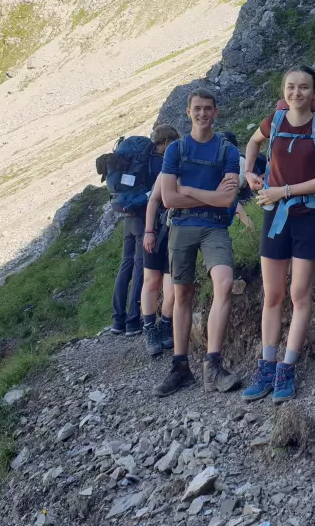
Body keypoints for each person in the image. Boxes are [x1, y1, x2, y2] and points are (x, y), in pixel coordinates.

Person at [240, 66, 315, 403]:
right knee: (273, 295)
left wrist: (281, 191)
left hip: (309, 217)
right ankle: (267, 365)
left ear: (314, 91)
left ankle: (288, 366)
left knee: (299, 294)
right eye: (291, 87)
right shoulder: (275, 120)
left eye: (304, 88)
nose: (297, 93)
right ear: (283, 90)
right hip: (275, 218)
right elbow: (253, 143)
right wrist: (249, 172)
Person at [155, 88, 242, 397]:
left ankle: (213, 364)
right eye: (197, 109)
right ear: (189, 113)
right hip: (181, 225)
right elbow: (167, 197)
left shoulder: (227, 151)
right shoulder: (176, 150)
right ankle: (180, 367)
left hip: (215, 227)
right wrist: (210, 196)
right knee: (182, 294)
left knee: (224, 282)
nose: (203, 114)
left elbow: (228, 198)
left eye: (208, 108)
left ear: (215, 112)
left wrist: (188, 188)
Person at [111, 126, 176, 337]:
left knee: (125, 266)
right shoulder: (157, 163)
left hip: (128, 216)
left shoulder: (139, 160)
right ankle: (133, 320)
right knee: (141, 269)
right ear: (165, 142)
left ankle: (117, 320)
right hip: (144, 219)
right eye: (172, 143)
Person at [141, 124, 181, 356]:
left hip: (177, 235)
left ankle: (164, 324)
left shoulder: (180, 164)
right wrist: (148, 231)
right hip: (158, 232)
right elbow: (154, 201)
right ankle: (150, 329)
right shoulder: (165, 170)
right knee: (152, 281)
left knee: (171, 289)